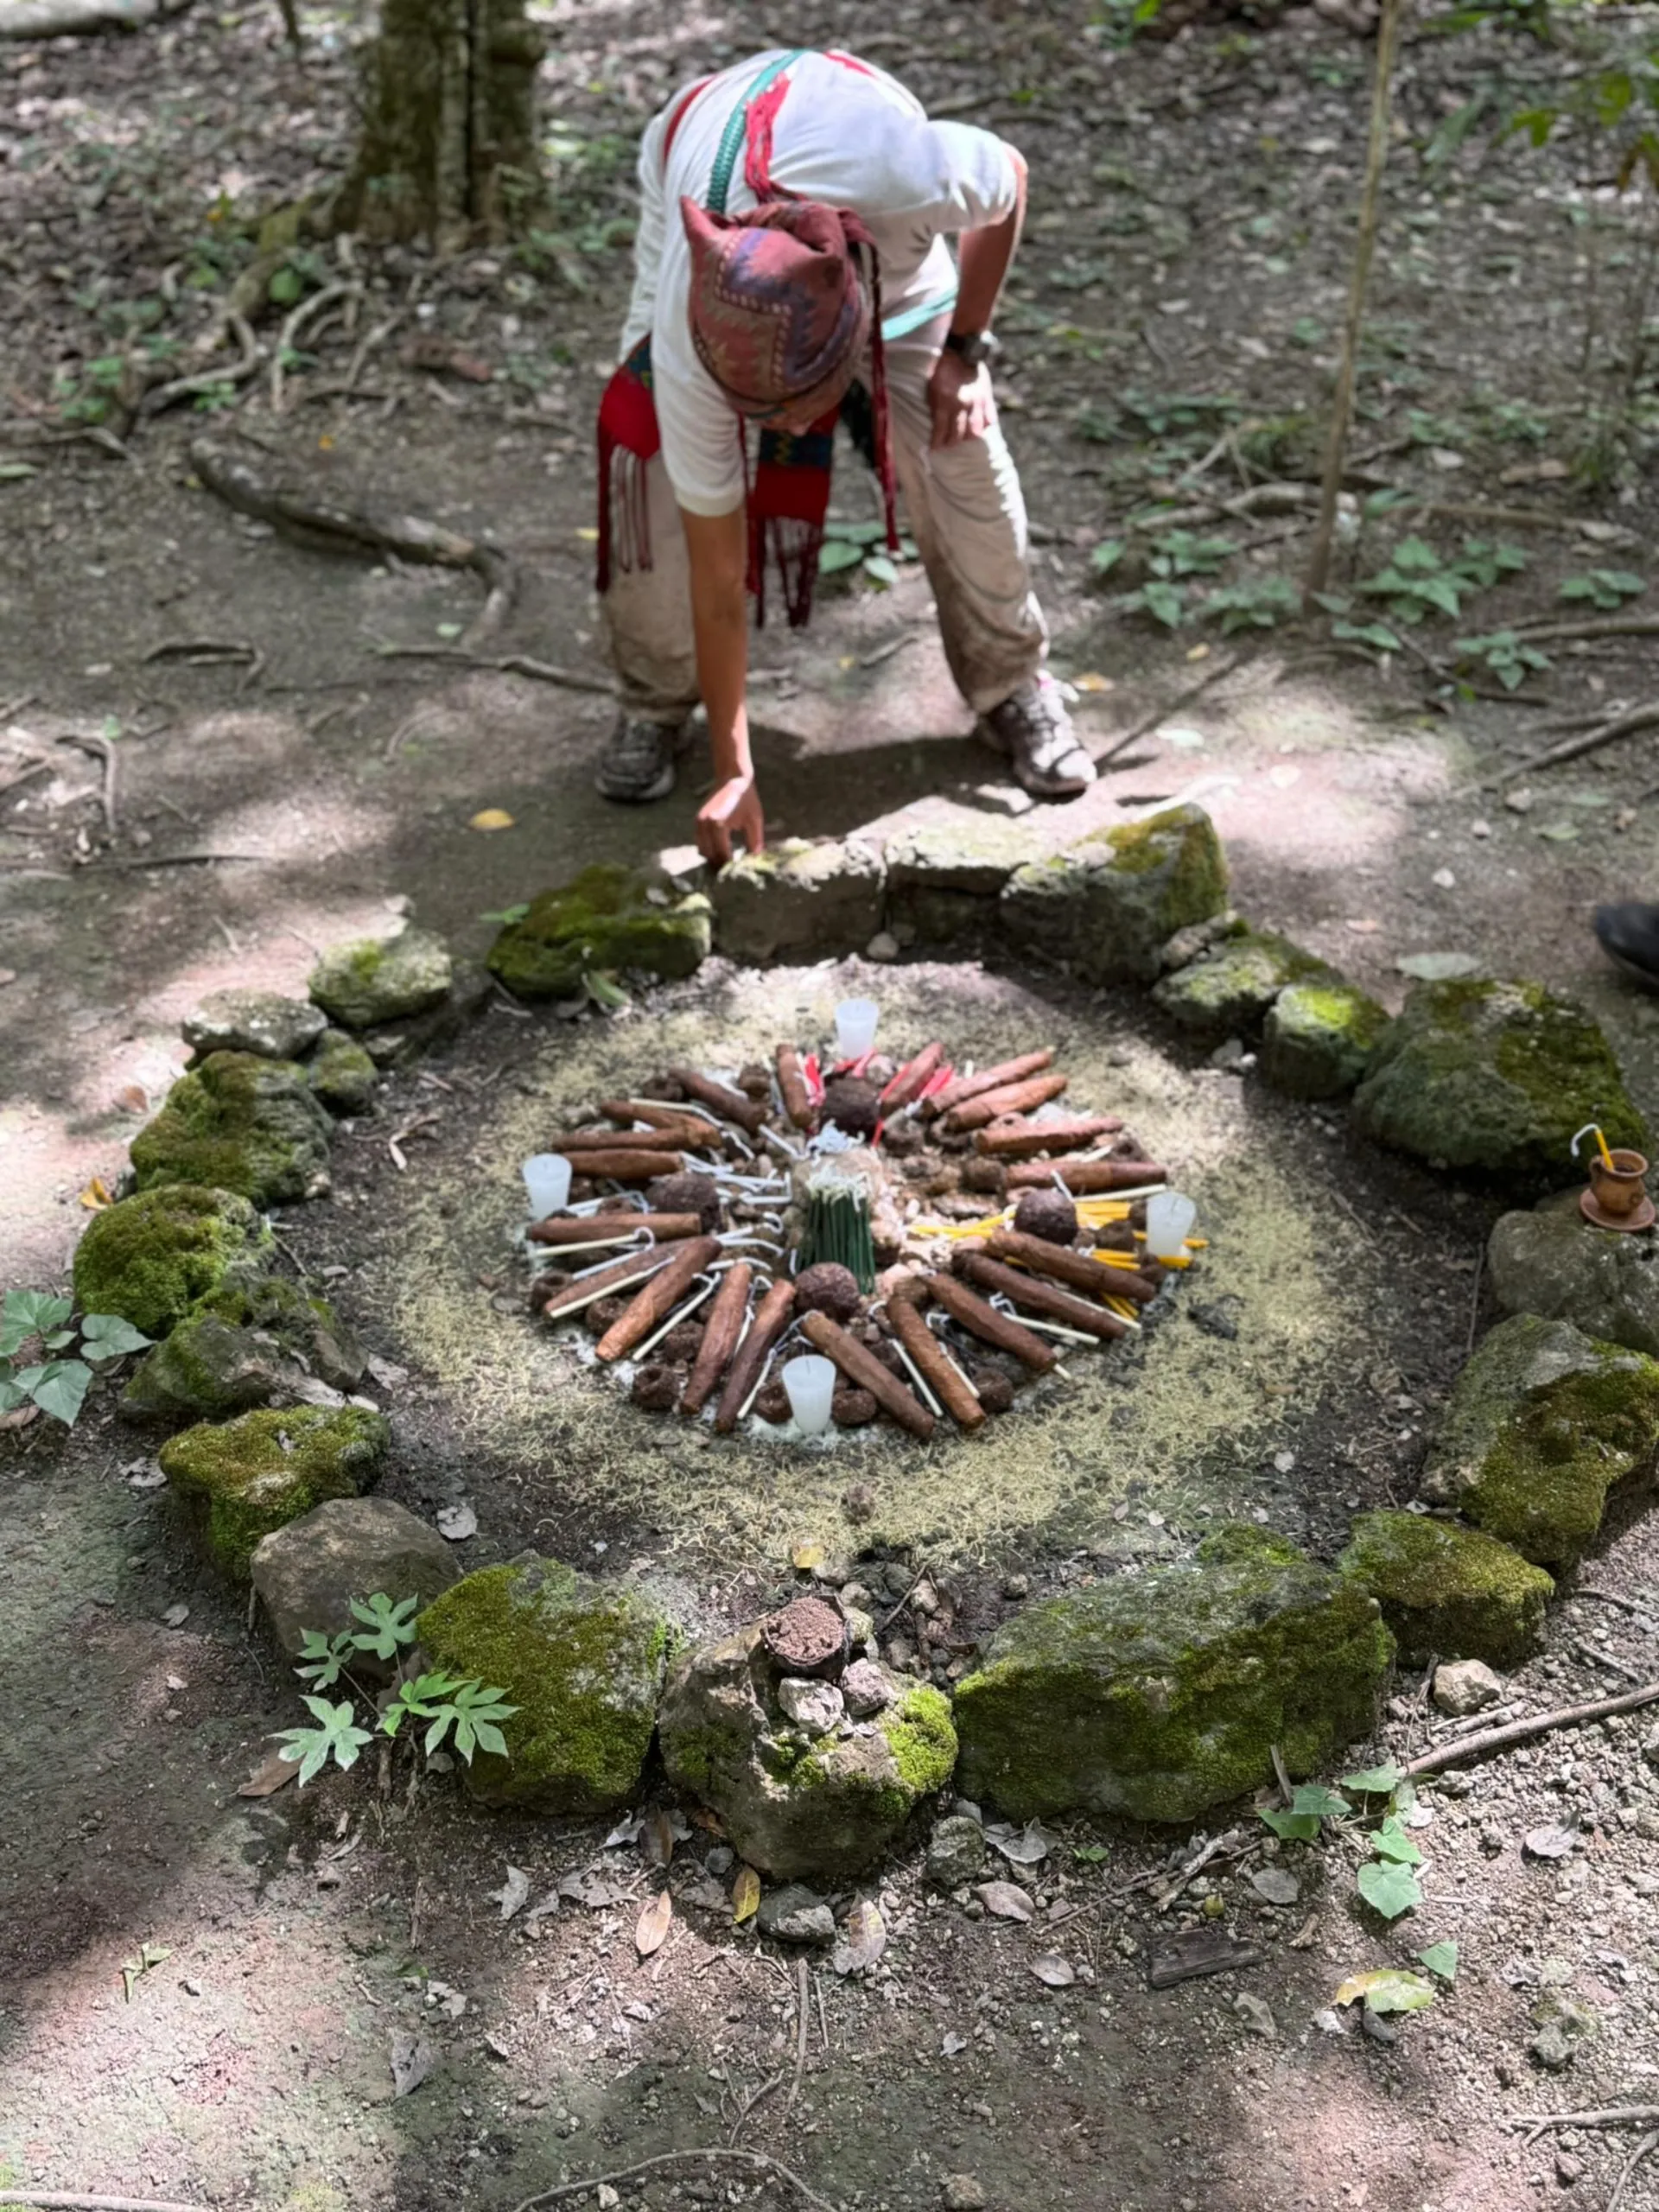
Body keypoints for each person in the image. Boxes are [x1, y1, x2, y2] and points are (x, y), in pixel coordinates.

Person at [592, 44, 1095, 865]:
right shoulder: (691, 343)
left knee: (961, 450)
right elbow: (721, 578)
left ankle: (1013, 681)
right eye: (760, 412)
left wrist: (965, 352)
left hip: (877, 234)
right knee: (647, 467)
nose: (784, 427)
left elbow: (1009, 178)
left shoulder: (907, 175)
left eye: (801, 408)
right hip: (694, 152)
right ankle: (655, 697)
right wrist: (735, 770)